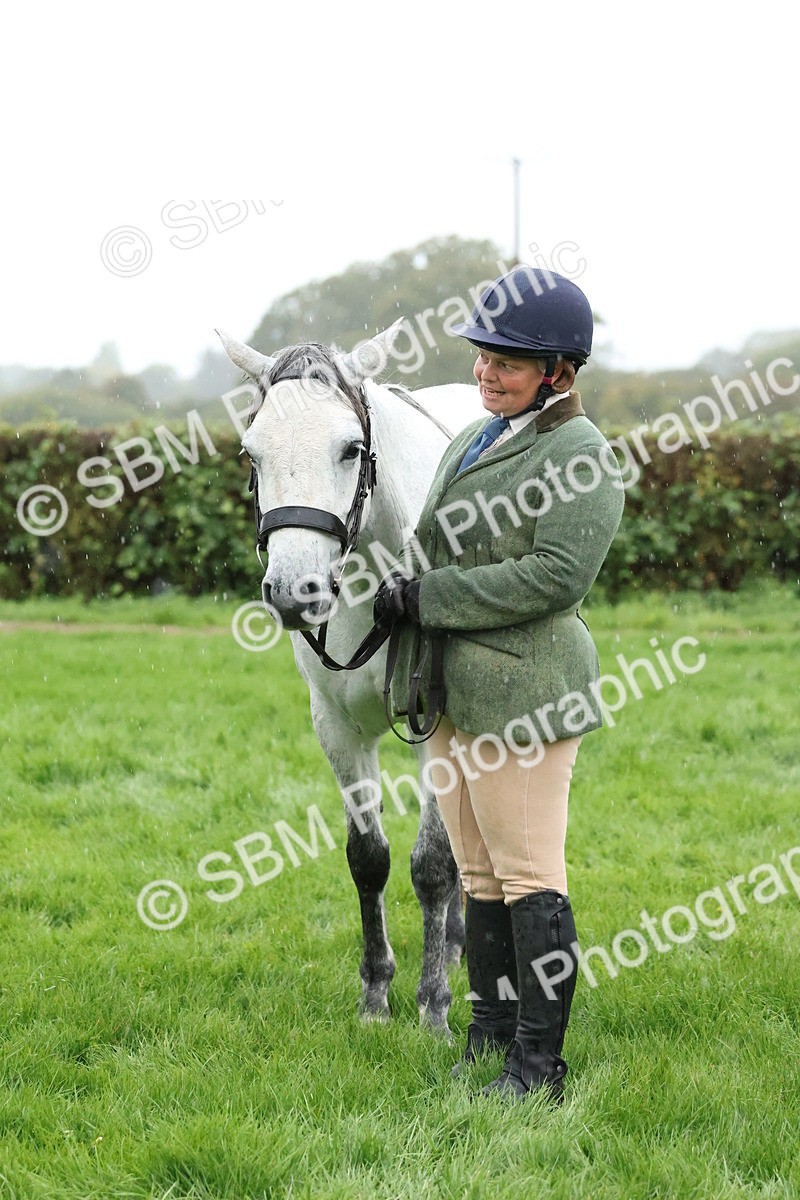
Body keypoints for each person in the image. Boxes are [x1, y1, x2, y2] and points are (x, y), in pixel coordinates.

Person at [374, 266, 625, 1102]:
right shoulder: (476, 438)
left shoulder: (581, 455)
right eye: (483, 357)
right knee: (478, 875)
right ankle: (489, 1035)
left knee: (529, 877)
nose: (485, 372)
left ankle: (539, 1067)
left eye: (507, 363)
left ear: (559, 371)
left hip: (527, 694)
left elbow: (555, 576)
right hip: (452, 688)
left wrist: (431, 597)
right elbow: (434, 540)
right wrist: (390, 586)